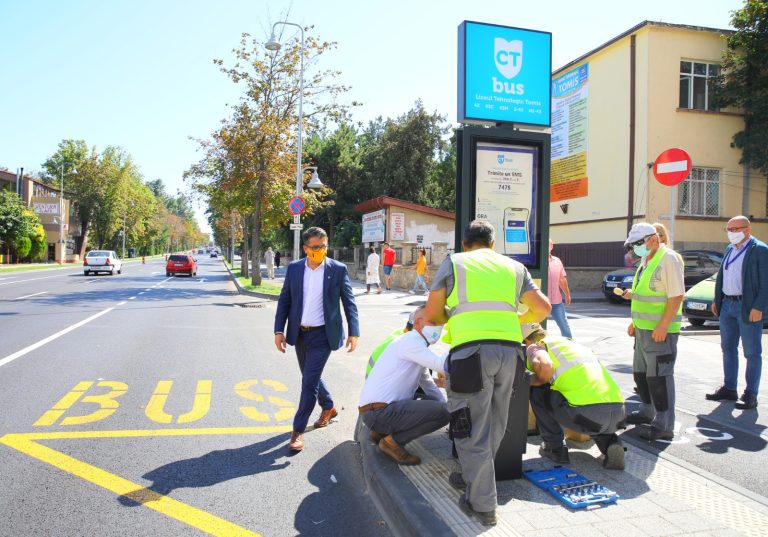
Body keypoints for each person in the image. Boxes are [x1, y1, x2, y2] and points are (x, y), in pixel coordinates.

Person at [425, 219, 551, 526]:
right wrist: (517, 318)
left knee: (469, 425)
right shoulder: (514, 267)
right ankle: (474, 479)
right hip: (510, 353)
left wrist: (453, 315)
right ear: (493, 244)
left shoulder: (454, 262)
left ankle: (482, 504)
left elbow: (432, 314)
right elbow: (543, 308)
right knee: (495, 423)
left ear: (465, 244)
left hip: (471, 354)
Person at [274, 227, 360, 452]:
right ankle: (329, 406)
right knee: (310, 375)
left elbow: (349, 302)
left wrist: (354, 331)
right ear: (305, 248)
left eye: (323, 246)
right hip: (300, 333)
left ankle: (297, 430)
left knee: (308, 382)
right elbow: (284, 301)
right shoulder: (294, 269)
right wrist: (278, 331)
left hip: (324, 334)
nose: (320, 250)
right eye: (315, 247)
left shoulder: (337, 269)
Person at [521, 323, 626, 469]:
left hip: (585, 414)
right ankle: (612, 443)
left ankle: (554, 448)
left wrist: (536, 380)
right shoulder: (572, 345)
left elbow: (545, 365)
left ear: (526, 341)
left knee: (538, 389)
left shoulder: (536, 346)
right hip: (618, 412)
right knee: (594, 414)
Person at [359, 306, 450, 465]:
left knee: (435, 403)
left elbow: (427, 383)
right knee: (446, 412)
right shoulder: (411, 342)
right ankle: (391, 443)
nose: (438, 328)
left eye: (440, 324)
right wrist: (461, 340)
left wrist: (441, 405)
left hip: (375, 410)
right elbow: (441, 365)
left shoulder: (412, 343)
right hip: (379, 412)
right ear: (417, 323)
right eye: (433, 322)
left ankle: (380, 432)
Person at [623, 222, 684, 441]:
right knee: (642, 374)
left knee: (660, 377)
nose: (635, 248)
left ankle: (664, 425)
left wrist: (663, 325)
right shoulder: (646, 261)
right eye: (633, 245)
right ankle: (647, 412)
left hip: (659, 332)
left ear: (654, 239)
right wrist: (634, 321)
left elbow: (676, 295)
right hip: (642, 330)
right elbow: (648, 293)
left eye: (639, 244)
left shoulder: (669, 259)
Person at [706, 216, 768, 410]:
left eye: (735, 229)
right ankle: (730, 388)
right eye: (728, 229)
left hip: (747, 306)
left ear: (747, 230)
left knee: (752, 352)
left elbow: (766, 282)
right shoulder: (730, 249)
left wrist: (759, 307)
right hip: (727, 305)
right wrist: (718, 300)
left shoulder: (760, 250)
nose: (731, 233)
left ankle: (751, 394)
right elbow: (722, 277)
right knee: (728, 348)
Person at [547, 239, 572, 339]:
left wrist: (567, 294)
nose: (547, 246)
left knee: (564, 326)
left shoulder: (557, 261)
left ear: (552, 246)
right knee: (535, 328)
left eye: (549, 244)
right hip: (541, 301)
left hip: (556, 302)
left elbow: (562, 279)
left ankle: (571, 346)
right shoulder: (539, 263)